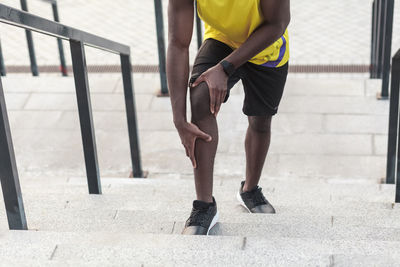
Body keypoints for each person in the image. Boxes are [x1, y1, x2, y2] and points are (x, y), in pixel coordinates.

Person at [166, 0, 291, 235]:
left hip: (267, 47)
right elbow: (178, 43)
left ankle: (249, 190)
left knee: (260, 121)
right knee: (200, 98)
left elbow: (278, 24)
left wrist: (225, 68)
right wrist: (179, 119)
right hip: (223, 40)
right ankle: (205, 206)